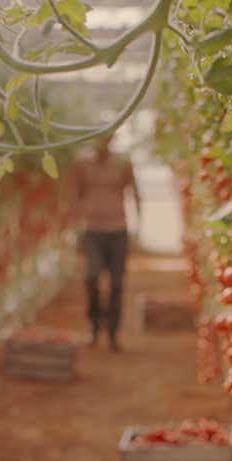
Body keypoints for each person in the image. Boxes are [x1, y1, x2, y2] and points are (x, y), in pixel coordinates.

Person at [71, 134, 140, 351]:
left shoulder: (122, 162)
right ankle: (94, 324)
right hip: (92, 230)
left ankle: (112, 332)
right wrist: (74, 228)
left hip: (117, 229)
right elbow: (75, 194)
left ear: (111, 140)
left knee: (117, 282)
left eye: (106, 139)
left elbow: (135, 192)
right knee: (91, 276)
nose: (102, 143)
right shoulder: (82, 163)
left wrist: (138, 226)